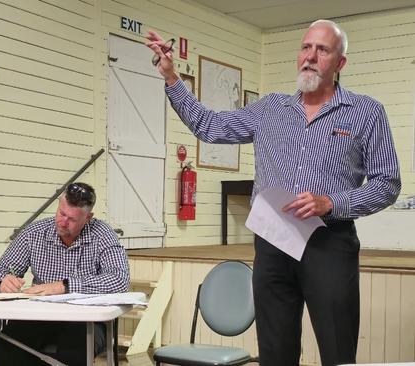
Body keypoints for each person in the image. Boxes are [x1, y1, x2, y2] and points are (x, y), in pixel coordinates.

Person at [147, 19, 401, 366]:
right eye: (305, 47)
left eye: (322, 50)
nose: (310, 56)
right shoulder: (270, 109)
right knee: (275, 352)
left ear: (340, 63)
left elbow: (387, 183)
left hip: (330, 244)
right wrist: (172, 77)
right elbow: (210, 126)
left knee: (337, 350)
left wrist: (332, 202)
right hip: (274, 244)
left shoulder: (366, 112)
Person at [0, 182, 130, 366]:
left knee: (74, 353)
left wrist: (64, 286)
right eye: (61, 213)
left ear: (88, 218)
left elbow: (119, 279)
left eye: (72, 219)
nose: (63, 222)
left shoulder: (102, 234)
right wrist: (2, 281)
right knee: (3, 352)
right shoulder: (34, 233)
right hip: (40, 314)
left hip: (87, 318)